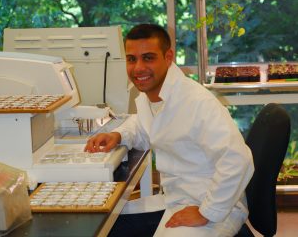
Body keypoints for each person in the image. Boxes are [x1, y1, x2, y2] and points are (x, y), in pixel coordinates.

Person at [85, 23, 254, 237]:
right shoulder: (155, 99)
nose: (138, 68)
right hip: (179, 198)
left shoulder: (196, 102)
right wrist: (118, 135)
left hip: (214, 206)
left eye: (148, 58)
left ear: (168, 57)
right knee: (105, 225)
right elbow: (145, 125)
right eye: (131, 59)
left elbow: (239, 159)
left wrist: (207, 212)